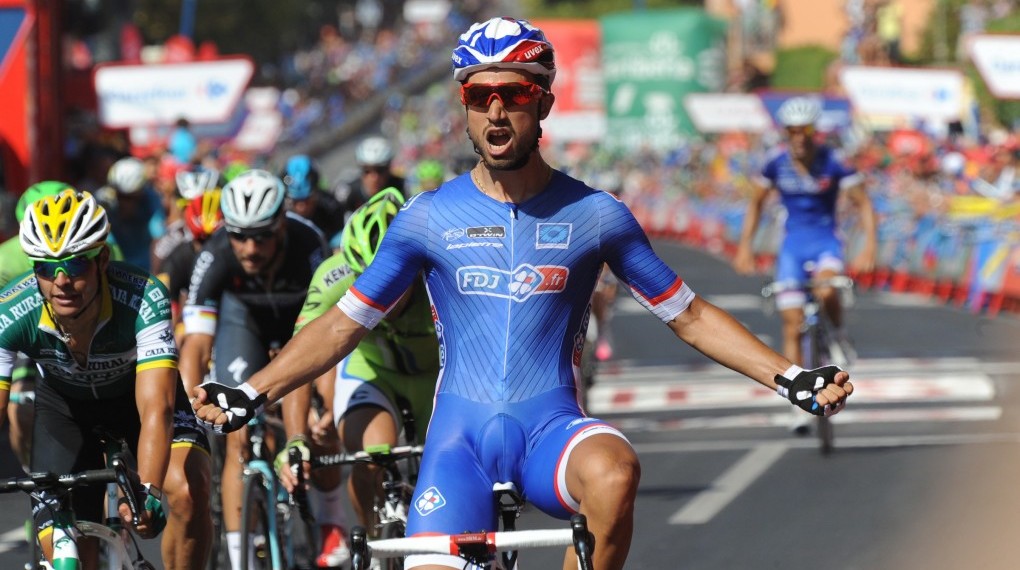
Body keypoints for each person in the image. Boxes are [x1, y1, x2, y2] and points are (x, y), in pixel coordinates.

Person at [192, 17, 854, 570]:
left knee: (616, 473)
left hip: (550, 432)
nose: (497, 111)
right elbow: (343, 325)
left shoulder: (597, 215)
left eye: (513, 93)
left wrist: (790, 377)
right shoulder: (426, 217)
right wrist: (253, 393)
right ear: (465, 106)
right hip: (460, 445)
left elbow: (692, 316)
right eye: (480, 97)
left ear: (543, 102)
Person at [0, 189, 212, 569]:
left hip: (136, 402)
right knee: (67, 551)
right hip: (65, 411)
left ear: (102, 259)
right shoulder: (13, 311)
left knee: (187, 491)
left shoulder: (144, 296)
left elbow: (156, 409)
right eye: (46, 268)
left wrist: (148, 490)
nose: (61, 281)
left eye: (75, 265)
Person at [175, 169, 344, 570]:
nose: (250, 248)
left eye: (262, 236)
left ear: (281, 225)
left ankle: (330, 522)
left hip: (302, 322)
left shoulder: (309, 244)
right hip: (244, 321)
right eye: (240, 236)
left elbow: (322, 337)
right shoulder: (215, 251)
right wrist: (185, 411)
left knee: (323, 421)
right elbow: (196, 342)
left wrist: (323, 401)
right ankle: (241, 558)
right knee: (237, 432)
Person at [274, 187, 438, 542]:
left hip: (438, 376)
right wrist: (296, 440)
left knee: (451, 470)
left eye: (394, 283)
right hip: (372, 370)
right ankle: (375, 551)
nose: (380, 296)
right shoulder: (335, 276)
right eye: (371, 283)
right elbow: (300, 359)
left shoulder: (440, 276)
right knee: (369, 458)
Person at [733, 95, 877, 374]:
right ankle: (796, 400)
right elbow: (756, 203)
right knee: (791, 323)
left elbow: (864, 203)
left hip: (826, 241)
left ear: (814, 130)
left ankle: (837, 334)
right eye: (792, 131)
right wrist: (745, 247)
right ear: (785, 132)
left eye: (805, 130)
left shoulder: (834, 160)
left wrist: (869, 246)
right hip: (792, 247)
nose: (798, 138)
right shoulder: (774, 162)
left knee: (826, 290)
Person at [155, 189, 225, 333]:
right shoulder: (177, 258)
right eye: (201, 240)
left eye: (214, 240)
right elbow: (164, 310)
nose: (208, 249)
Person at [98, 156, 166, 271]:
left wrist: (156, 276)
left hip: (147, 268)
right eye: (120, 197)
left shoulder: (151, 199)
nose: (124, 203)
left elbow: (159, 239)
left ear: (140, 194)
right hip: (117, 268)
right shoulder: (104, 201)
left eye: (129, 198)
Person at [335, 135, 406, 220]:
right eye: (366, 170)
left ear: (388, 169)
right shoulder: (347, 193)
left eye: (380, 170)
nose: (374, 177)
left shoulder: (403, 187)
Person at [281, 154, 345, 247]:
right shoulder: (282, 217)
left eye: (306, 200)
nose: (301, 207)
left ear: (316, 192)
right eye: (295, 201)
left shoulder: (331, 207)